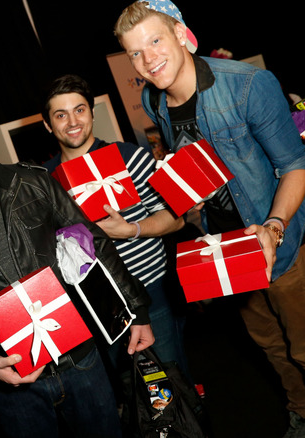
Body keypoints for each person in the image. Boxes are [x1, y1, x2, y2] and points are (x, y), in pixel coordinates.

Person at [114, 1, 305, 437]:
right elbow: (192, 163)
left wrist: (274, 227)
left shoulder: (248, 84)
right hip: (226, 250)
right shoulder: (154, 100)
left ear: (182, 35)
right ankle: (302, 415)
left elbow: (295, 165)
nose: (148, 59)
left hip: (283, 238)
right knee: (271, 346)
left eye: (155, 40)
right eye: (135, 52)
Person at [0, 89, 155, 437]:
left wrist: (136, 311)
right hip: (10, 384)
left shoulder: (34, 182)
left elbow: (95, 245)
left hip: (82, 360)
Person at [41, 73, 190, 377]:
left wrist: (130, 230)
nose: (72, 121)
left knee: (173, 383)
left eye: (79, 110)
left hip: (151, 289)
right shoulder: (44, 182)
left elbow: (176, 219)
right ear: (48, 124)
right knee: (130, 395)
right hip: (97, 302)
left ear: (92, 114)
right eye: (60, 114)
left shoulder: (129, 156)